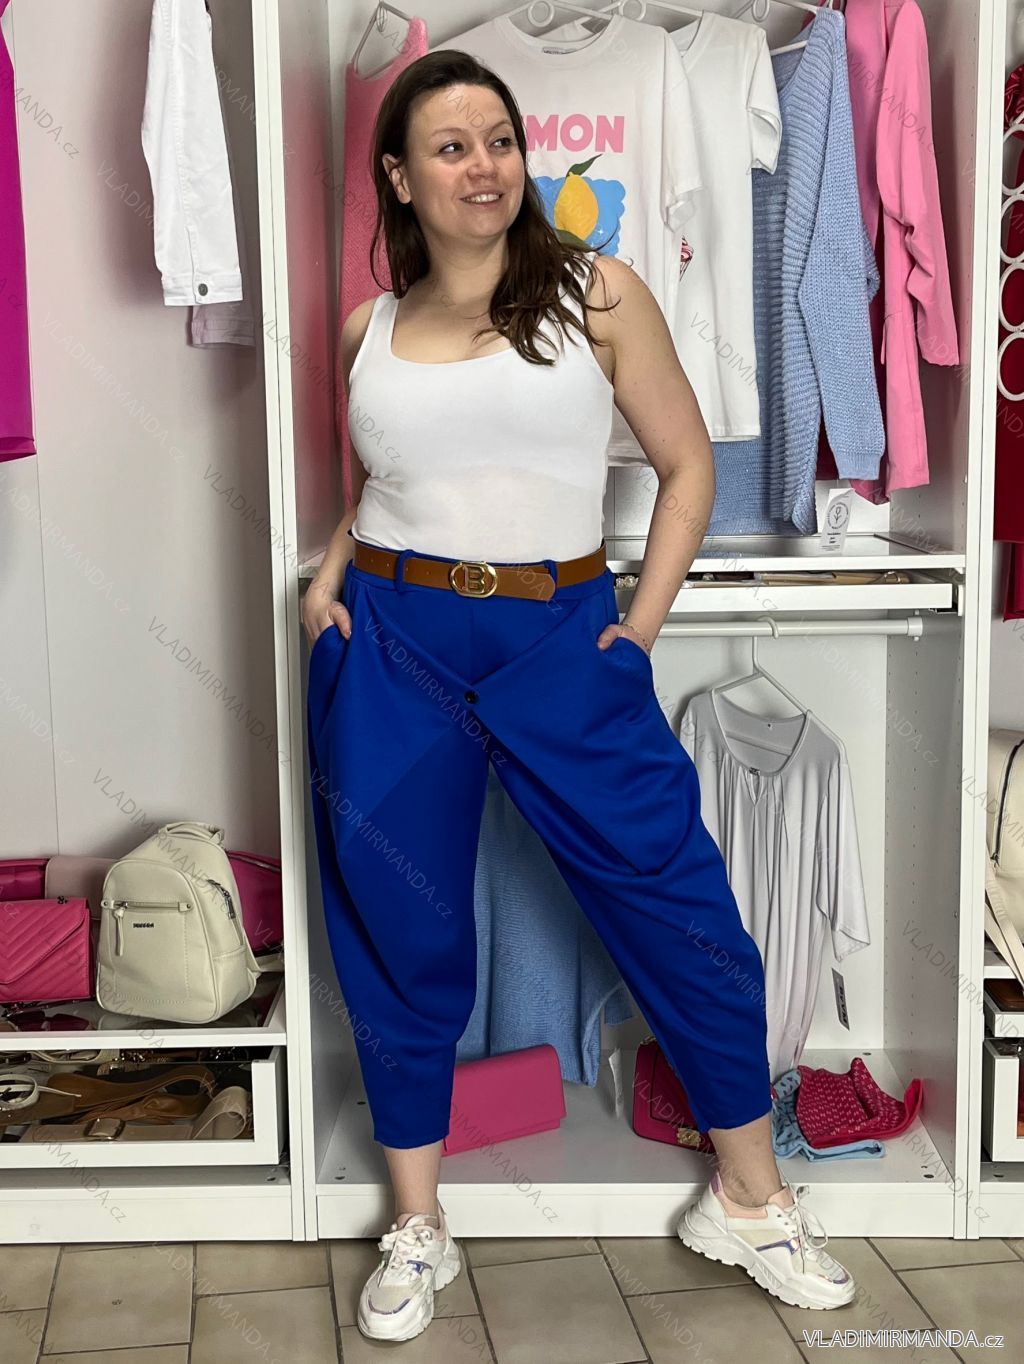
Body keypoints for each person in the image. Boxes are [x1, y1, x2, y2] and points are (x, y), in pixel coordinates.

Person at [303, 47, 856, 1346]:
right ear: (400, 176)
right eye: (451, 146)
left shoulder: (596, 292)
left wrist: (635, 632)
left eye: (499, 139)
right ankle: (418, 1224)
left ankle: (752, 1199)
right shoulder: (367, 331)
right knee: (397, 923)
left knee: (678, 903)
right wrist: (329, 583)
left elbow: (685, 467)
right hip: (391, 642)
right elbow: (385, 481)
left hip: (560, 633)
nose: (484, 165)